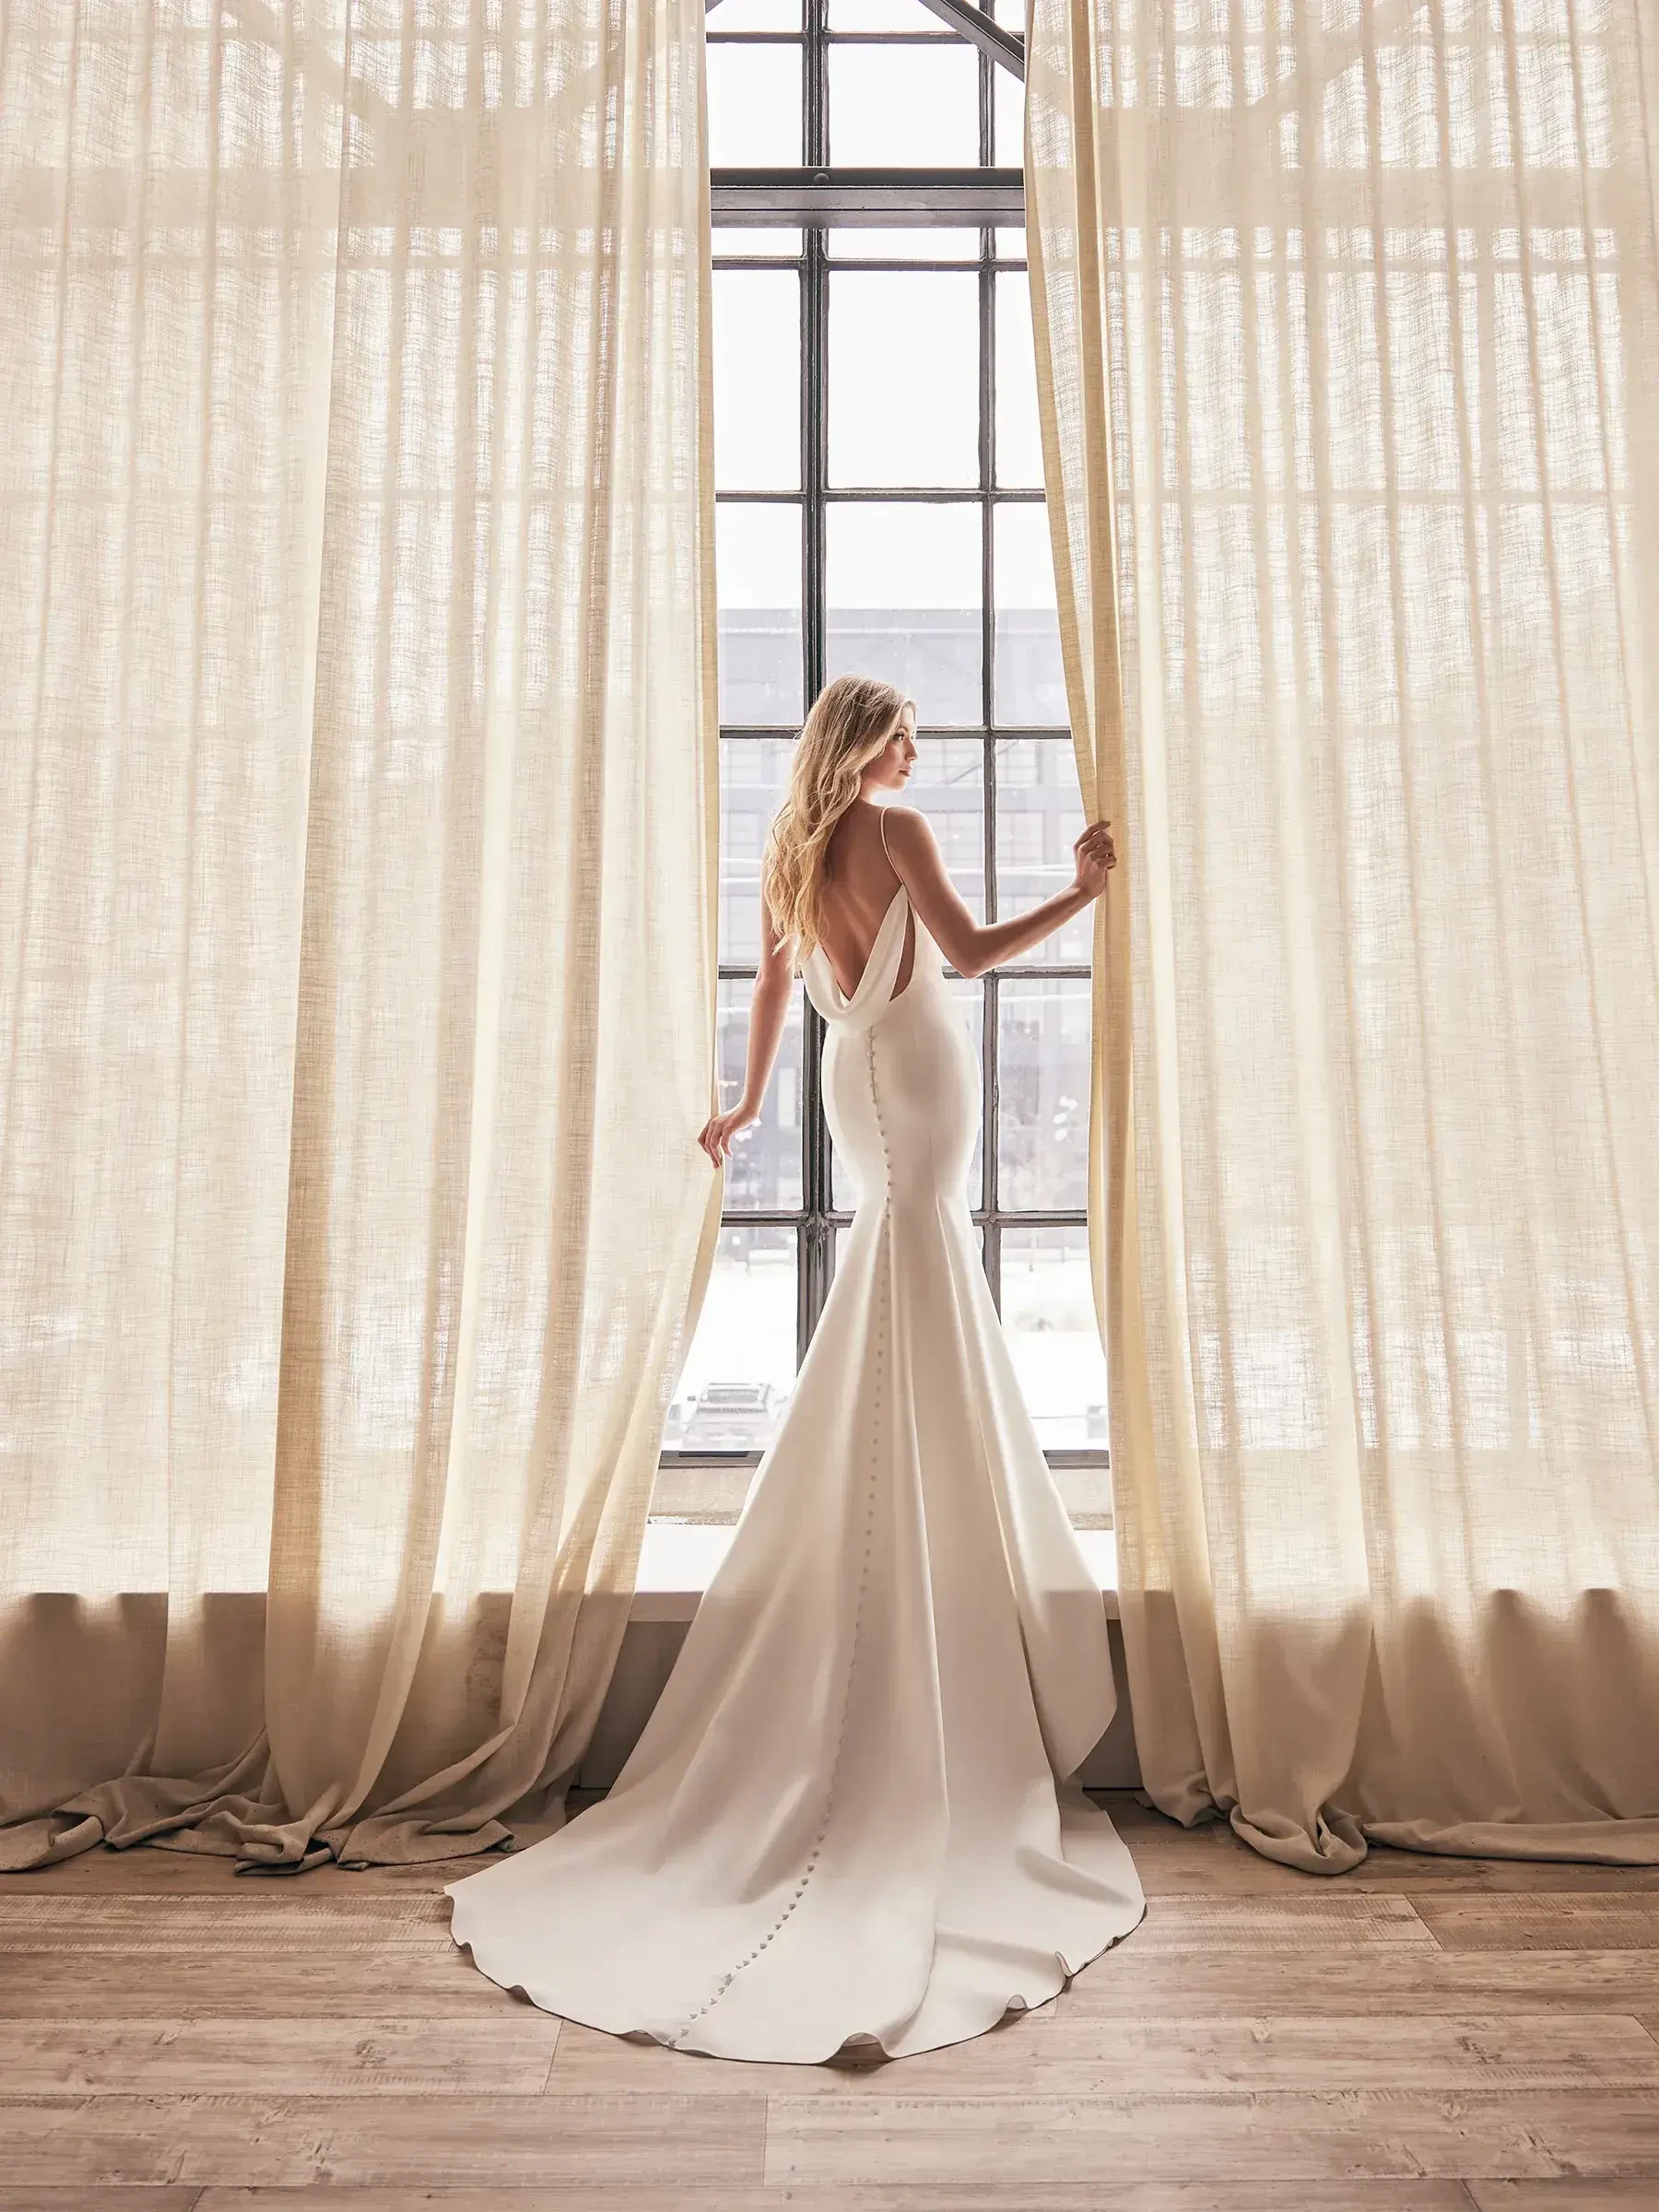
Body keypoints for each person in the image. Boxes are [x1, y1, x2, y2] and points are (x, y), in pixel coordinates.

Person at [444, 673, 1145, 2064]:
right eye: (906, 736)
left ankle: (903, 1513)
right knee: (924, 1259)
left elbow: (773, 981)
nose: (917, 754)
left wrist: (753, 1103)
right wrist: (1087, 893)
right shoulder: (893, 837)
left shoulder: (790, 849)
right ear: (869, 742)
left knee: (903, 1266)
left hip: (848, 1084)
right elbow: (977, 952)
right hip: (921, 1071)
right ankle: (933, 1540)